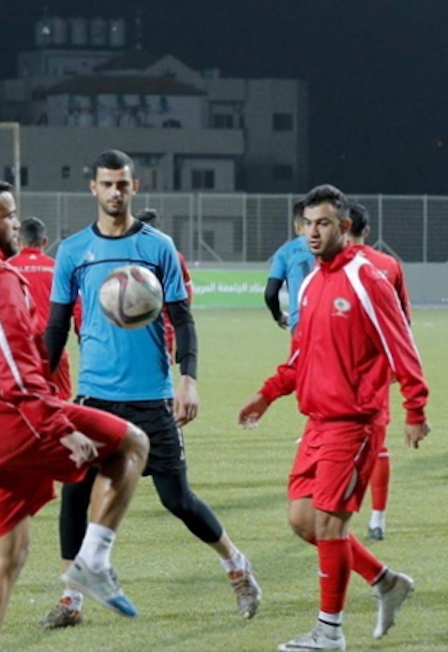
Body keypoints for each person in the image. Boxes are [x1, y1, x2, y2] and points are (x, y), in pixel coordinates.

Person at [0, 176, 150, 652]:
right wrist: (58, 427)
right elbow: (14, 365)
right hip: (16, 426)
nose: (18, 223)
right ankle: (92, 561)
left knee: (7, 555)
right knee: (133, 444)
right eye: (10, 215)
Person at [39, 149, 260, 630]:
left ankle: (237, 566)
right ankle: (71, 599)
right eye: (107, 184)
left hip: (152, 396)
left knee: (176, 500)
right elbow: (56, 328)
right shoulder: (74, 251)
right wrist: (38, 385)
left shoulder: (158, 247)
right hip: (95, 394)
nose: (115, 192)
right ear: (92, 189)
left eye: (123, 184)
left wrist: (188, 378)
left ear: (134, 188)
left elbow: (182, 318)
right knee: (74, 491)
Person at [239, 184, 429, 652]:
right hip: (318, 423)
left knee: (330, 525)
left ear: (344, 226)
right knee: (304, 520)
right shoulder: (309, 282)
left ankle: (329, 633)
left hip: (355, 423)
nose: (313, 232)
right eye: (307, 224)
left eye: (323, 223)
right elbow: (300, 355)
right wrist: (268, 395)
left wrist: (414, 407)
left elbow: (400, 345)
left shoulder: (368, 278)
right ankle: (385, 581)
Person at [344, 202, 411, 542]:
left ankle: (331, 517)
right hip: (378, 371)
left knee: (332, 442)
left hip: (339, 370)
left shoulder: (330, 265)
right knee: (377, 444)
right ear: (366, 230)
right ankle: (377, 518)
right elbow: (403, 322)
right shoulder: (388, 264)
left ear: (342, 227)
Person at [6, 216, 71, 399]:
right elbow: (79, 311)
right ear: (44, 241)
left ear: (18, 241)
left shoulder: (6, 269)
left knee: (19, 408)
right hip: (54, 350)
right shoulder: (58, 269)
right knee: (63, 408)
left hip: (18, 353)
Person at [133, 208, 193, 355]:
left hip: (147, 326)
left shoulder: (172, 256)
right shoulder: (172, 255)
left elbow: (185, 294)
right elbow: (186, 293)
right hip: (150, 327)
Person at [266, 199, 315, 331]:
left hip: (299, 323)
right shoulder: (330, 249)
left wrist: (278, 315)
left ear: (297, 225)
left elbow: (270, 293)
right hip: (327, 322)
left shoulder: (285, 252)